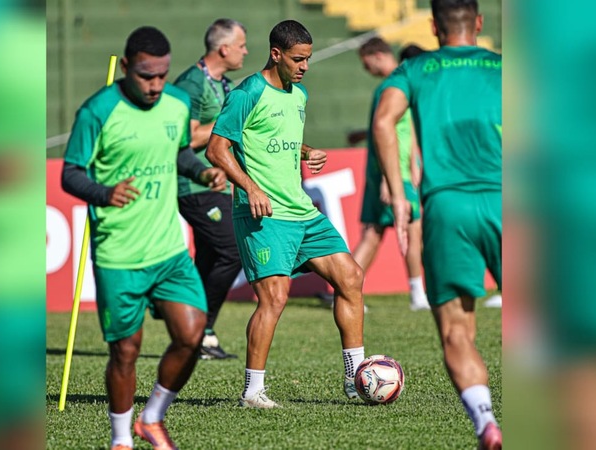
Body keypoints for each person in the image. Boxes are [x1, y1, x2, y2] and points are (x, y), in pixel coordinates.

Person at [61, 26, 226, 450]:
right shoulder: (97, 111)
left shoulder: (176, 103)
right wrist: (104, 193)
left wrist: (200, 170)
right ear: (128, 65)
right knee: (126, 352)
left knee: (191, 337)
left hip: (168, 249)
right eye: (146, 76)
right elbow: (71, 173)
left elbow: (180, 153)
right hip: (119, 254)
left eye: (162, 75)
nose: (155, 85)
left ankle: (151, 418)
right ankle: (121, 439)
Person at [205, 19, 367, 409]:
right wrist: (251, 188)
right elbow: (217, 149)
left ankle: (355, 378)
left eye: (308, 59)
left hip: (301, 212)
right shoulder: (248, 92)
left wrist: (306, 151)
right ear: (275, 54)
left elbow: (276, 139)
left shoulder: (299, 95)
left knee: (351, 276)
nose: (304, 66)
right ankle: (252, 392)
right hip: (263, 215)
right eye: (298, 59)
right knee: (274, 298)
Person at [372, 1, 502, 448]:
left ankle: (486, 419)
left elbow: (383, 120)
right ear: (479, 24)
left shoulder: (416, 70)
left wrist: (400, 194)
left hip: (447, 206)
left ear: (433, 27)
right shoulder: (503, 67)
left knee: (456, 330)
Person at [318, 38, 430, 312]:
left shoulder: (391, 86)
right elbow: (389, 131)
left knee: (374, 234)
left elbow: (397, 128)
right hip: (392, 172)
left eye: (365, 62)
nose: (366, 69)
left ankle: (343, 290)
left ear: (378, 55)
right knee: (410, 233)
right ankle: (418, 295)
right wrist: (388, 177)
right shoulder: (396, 86)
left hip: (387, 170)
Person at [173, 18, 248, 360]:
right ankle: (199, 325)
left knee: (210, 256)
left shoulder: (226, 84)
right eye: (242, 45)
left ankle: (195, 331)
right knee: (232, 250)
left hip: (219, 185)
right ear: (224, 48)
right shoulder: (191, 84)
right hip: (193, 183)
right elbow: (183, 139)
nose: (246, 51)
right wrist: (224, 124)